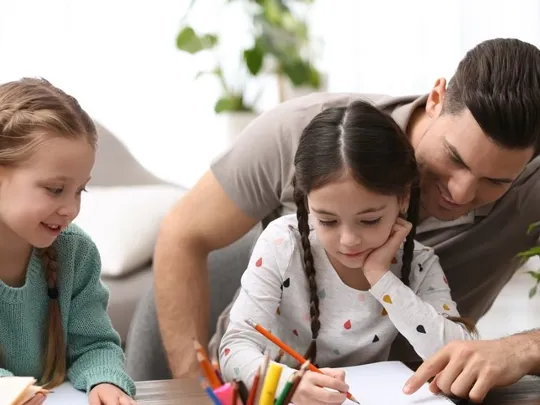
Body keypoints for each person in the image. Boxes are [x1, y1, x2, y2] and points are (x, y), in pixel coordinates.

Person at [153, 37, 540, 399]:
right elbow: (182, 235)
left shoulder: (421, 261)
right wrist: (194, 390)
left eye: (495, 181)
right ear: (436, 98)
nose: (460, 194)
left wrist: (522, 348)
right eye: (454, 158)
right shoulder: (301, 135)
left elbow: (455, 343)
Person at [218, 100, 477, 405]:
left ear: (404, 198)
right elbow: (234, 348)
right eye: (327, 221)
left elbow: (461, 355)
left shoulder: (418, 263)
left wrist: (381, 279)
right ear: (307, 201)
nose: (348, 240)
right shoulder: (281, 243)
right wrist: (288, 385)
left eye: (370, 220)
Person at [0, 78, 137, 405]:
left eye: (80, 190)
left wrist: (106, 380)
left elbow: (95, 345)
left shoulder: (75, 252)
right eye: (54, 189)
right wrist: (12, 391)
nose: (72, 209)